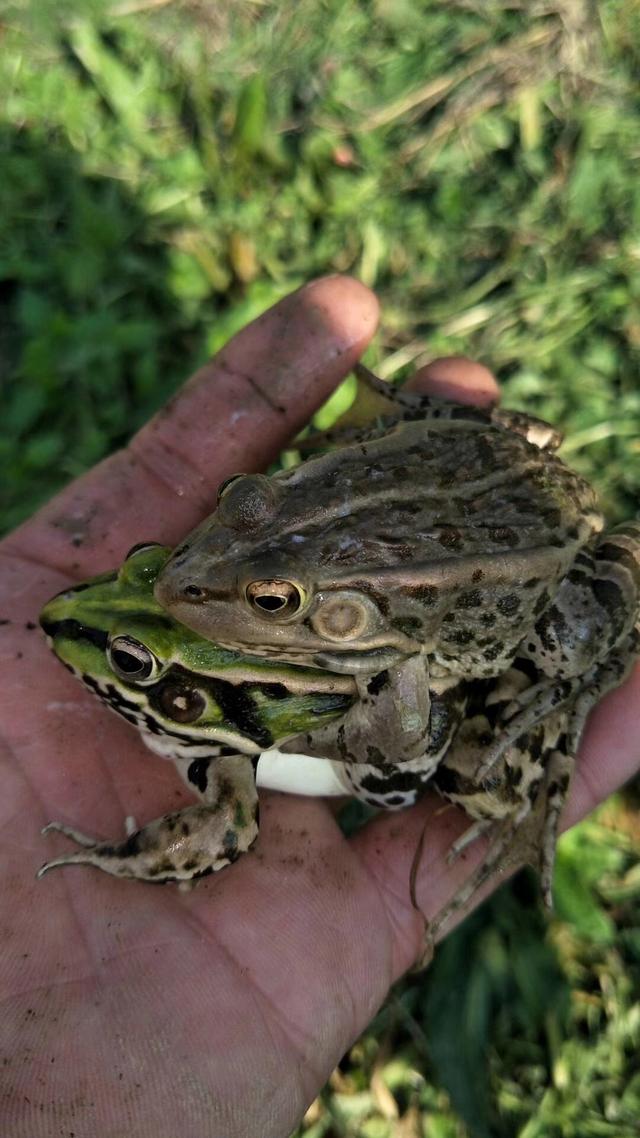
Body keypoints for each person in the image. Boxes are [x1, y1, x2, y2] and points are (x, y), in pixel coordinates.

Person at [2, 276, 638, 1138]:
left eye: (270, 602)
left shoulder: (391, 652)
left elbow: (409, 719)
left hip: (543, 569)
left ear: (340, 619)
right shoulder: (279, 516)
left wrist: (542, 703)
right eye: (241, 511)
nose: (198, 571)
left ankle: (575, 673)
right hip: (499, 462)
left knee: (556, 659)